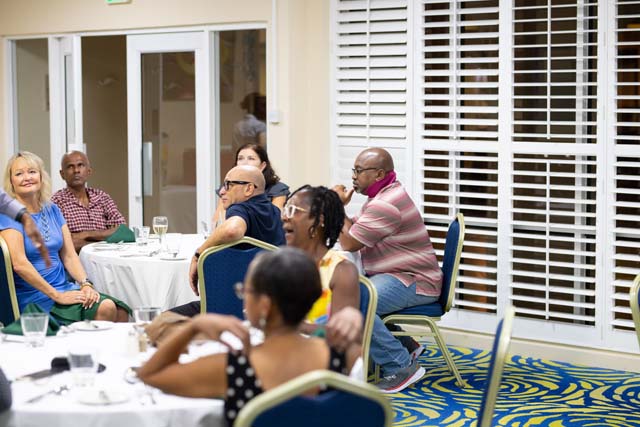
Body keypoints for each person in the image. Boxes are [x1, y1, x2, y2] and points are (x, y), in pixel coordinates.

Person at [138, 248, 362, 427]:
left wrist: (194, 326)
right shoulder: (343, 356)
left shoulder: (233, 368)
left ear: (264, 305)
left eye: (246, 290)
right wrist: (353, 315)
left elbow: (150, 374)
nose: (243, 296)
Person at [332, 147, 443, 394]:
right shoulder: (383, 194)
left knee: (354, 302)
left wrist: (336, 207)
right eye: (353, 170)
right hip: (402, 275)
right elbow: (356, 228)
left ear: (379, 174)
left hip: (414, 281)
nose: (353, 177)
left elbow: (349, 242)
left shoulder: (386, 203)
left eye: (359, 171)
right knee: (356, 293)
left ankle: (400, 365)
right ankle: (406, 345)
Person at [0, 151, 130, 322]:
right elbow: (20, 264)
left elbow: (69, 255)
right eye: (19, 174)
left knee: (121, 311)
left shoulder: (52, 209)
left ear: (41, 176)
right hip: (36, 296)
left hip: (64, 287)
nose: (27, 177)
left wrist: (85, 284)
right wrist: (57, 295)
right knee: (106, 308)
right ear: (11, 181)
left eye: (32, 171)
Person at [170, 165, 285, 317]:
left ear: (249, 189)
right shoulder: (275, 212)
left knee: (162, 321)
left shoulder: (240, 208)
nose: (222, 191)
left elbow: (233, 229)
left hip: (227, 308)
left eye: (228, 185)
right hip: (269, 310)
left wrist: (198, 254)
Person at [282, 185, 359, 332]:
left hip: (316, 346)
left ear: (319, 220)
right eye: (285, 210)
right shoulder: (279, 263)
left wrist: (282, 326)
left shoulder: (341, 271)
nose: (285, 216)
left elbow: (340, 335)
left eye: (293, 210)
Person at [51, 151, 126, 252]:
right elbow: (63, 243)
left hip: (106, 259)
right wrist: (105, 239)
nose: (76, 170)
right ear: (62, 174)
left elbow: (122, 231)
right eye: (70, 167)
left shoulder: (102, 197)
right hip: (76, 260)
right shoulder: (56, 202)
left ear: (89, 171)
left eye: (80, 165)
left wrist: (85, 234)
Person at [212, 143, 289, 225]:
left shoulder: (277, 189)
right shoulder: (227, 188)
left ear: (262, 166)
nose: (244, 163)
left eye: (251, 158)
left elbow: (275, 221)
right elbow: (218, 221)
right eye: (240, 158)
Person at [0, 189, 50, 266]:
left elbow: (3, 201)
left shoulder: (50, 208)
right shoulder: (7, 218)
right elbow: (19, 264)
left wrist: (25, 218)